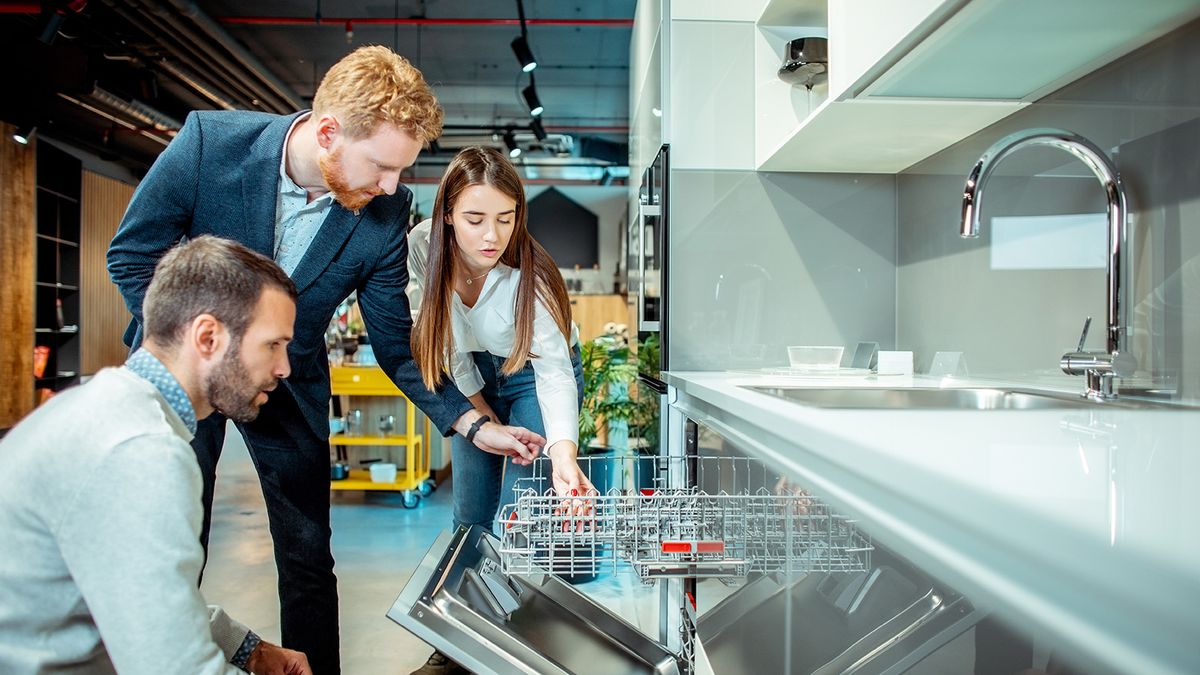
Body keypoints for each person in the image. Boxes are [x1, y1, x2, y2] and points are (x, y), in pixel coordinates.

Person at [106, 46, 544, 675]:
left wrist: (473, 424)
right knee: (175, 538)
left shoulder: (384, 212)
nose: (392, 187)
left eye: (401, 171)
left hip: (292, 383)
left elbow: (396, 343)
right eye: (383, 167)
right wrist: (201, 348)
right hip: (187, 373)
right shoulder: (210, 144)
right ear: (330, 133)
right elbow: (132, 255)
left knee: (309, 555)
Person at [0, 237, 310, 675]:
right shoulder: (141, 452)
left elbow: (140, 591)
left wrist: (249, 650)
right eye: (272, 345)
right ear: (207, 337)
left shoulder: (110, 409)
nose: (284, 368)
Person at [407, 147, 594, 675]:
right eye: (474, 219)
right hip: (469, 371)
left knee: (520, 513)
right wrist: (483, 419)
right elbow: (441, 346)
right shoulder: (422, 248)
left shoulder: (529, 275)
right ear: (446, 213)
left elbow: (555, 373)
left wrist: (562, 455)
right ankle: (455, 645)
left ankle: (514, 645)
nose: (491, 236)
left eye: (505, 219)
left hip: (534, 373)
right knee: (470, 511)